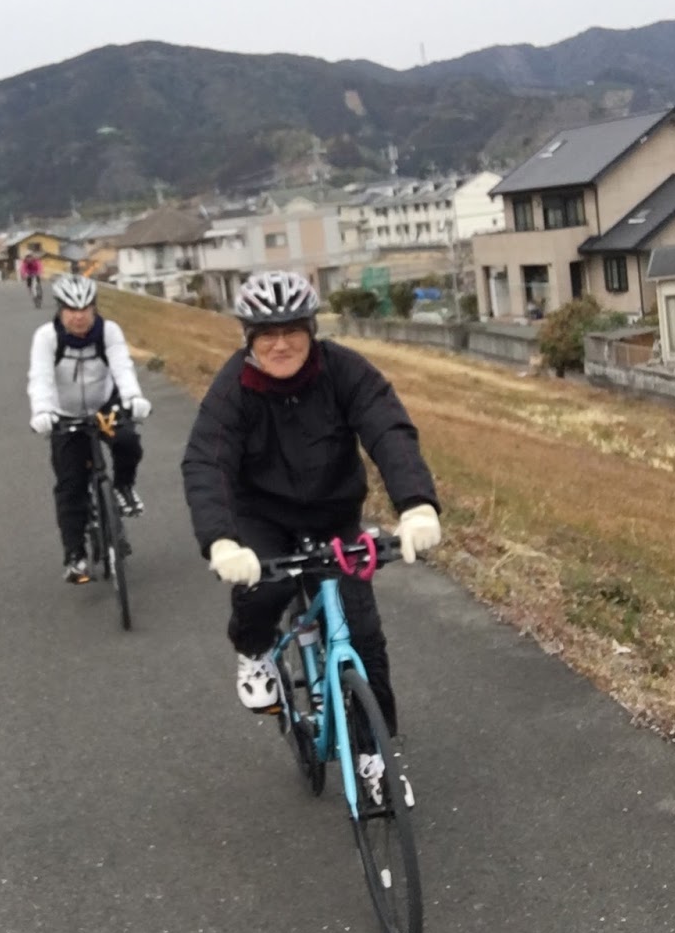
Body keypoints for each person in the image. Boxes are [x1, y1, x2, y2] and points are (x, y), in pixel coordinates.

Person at [181, 270, 441, 802]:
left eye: (293, 329)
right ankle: (254, 650)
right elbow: (207, 462)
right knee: (266, 586)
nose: (281, 343)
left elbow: (387, 428)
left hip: (332, 514)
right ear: (248, 338)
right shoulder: (233, 389)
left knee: (364, 635)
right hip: (263, 517)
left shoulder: (344, 371)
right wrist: (222, 541)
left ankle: (374, 756)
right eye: (266, 333)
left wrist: (416, 506)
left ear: (312, 330)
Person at [28, 272, 152, 584]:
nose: (79, 316)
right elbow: (40, 378)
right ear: (60, 309)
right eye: (71, 309)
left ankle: (123, 487)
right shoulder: (47, 337)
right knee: (70, 486)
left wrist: (134, 397)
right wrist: (42, 411)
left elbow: (122, 367)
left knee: (127, 440)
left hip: (104, 408)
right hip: (64, 414)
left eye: (85, 309)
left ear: (94, 308)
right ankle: (75, 556)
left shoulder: (108, 331)